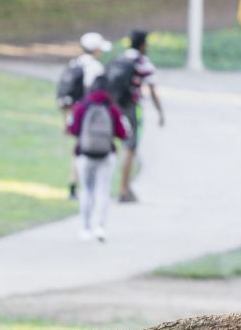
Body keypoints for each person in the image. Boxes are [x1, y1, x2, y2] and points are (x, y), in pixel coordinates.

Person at [66, 77, 130, 242]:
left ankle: (85, 228)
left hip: (84, 154)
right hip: (106, 155)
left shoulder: (82, 106)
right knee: (103, 191)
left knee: (86, 191)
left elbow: (72, 129)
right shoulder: (112, 108)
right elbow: (122, 133)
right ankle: (100, 227)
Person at [107, 29, 165, 203]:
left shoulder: (119, 59)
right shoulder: (142, 62)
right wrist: (160, 112)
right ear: (143, 44)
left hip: (112, 108)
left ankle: (110, 187)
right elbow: (152, 88)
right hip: (131, 108)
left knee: (111, 148)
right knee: (130, 149)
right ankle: (124, 189)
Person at [60, 32, 113, 200]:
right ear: (95, 50)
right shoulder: (95, 67)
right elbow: (94, 92)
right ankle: (81, 187)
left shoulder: (75, 63)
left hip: (70, 110)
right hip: (85, 112)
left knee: (78, 147)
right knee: (84, 148)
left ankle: (74, 186)